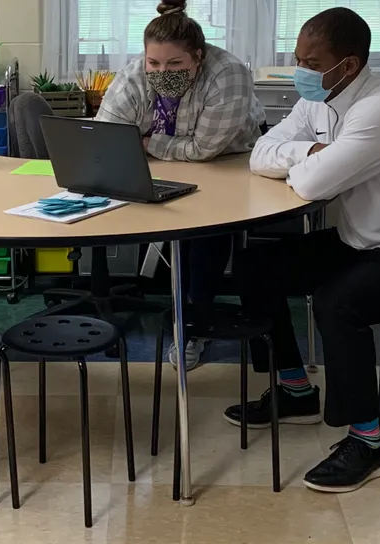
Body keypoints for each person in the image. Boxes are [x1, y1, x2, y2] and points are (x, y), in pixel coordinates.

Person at [231, 8, 380, 492]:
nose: (301, 71)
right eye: (298, 58)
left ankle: (369, 440)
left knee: (340, 303)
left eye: (311, 62)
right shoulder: (318, 101)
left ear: (350, 64)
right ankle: (296, 391)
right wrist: (310, 153)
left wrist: (305, 161)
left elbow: (314, 185)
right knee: (256, 268)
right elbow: (261, 154)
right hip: (362, 240)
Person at [95, 0, 265, 370]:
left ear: (198, 58)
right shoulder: (133, 76)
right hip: (160, 165)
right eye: (153, 64)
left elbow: (205, 150)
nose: (162, 73)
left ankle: (194, 326)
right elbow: (107, 138)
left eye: (175, 65)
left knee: (206, 233)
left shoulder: (228, 73)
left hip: (227, 164)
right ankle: (182, 305)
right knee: (157, 219)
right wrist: (143, 148)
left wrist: (146, 142)